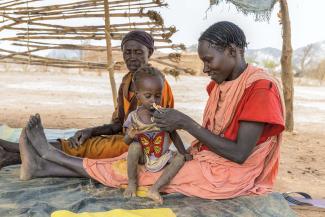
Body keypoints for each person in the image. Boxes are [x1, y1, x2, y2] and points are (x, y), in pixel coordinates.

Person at [19, 21, 285, 200]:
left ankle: (49, 154)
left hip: (231, 175)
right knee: (134, 161)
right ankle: (42, 166)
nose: (205, 69)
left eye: (208, 60)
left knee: (142, 172)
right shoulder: (224, 84)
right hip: (212, 160)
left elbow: (239, 154)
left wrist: (185, 123)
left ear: (233, 51)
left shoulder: (260, 88)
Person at [0, 30, 174, 169]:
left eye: (138, 52)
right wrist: (91, 130)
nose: (132, 57)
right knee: (84, 141)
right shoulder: (127, 81)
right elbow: (118, 123)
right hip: (127, 138)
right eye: (127, 52)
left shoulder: (157, 84)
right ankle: (10, 155)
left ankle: (13, 152)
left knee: (87, 148)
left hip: (144, 145)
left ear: (149, 52)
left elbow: (156, 129)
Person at [122, 65, 192, 204]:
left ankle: (155, 189)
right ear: (138, 96)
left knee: (179, 159)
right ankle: (132, 182)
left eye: (158, 95)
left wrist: (183, 152)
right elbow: (126, 142)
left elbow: (174, 135)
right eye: (148, 96)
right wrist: (130, 136)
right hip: (144, 156)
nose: (153, 100)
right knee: (135, 147)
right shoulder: (133, 117)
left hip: (163, 156)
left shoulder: (164, 115)